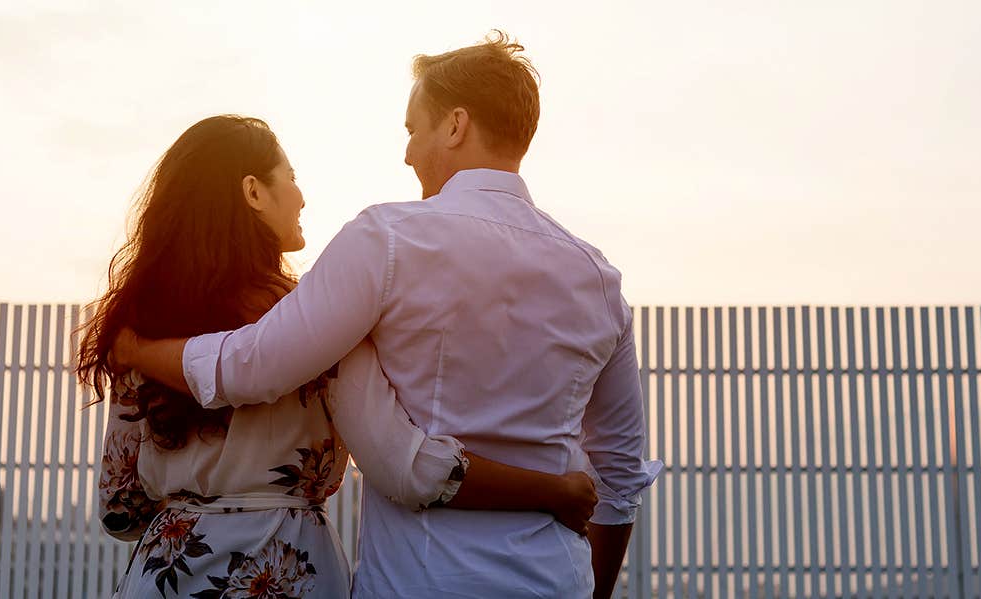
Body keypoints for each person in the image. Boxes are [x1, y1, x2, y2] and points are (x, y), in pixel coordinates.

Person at [117, 32, 661, 598]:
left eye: (412, 129)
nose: (406, 153)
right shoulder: (599, 279)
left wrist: (136, 351)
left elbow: (253, 364)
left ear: (455, 126)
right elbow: (620, 479)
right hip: (555, 582)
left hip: (419, 582)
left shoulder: (388, 240)